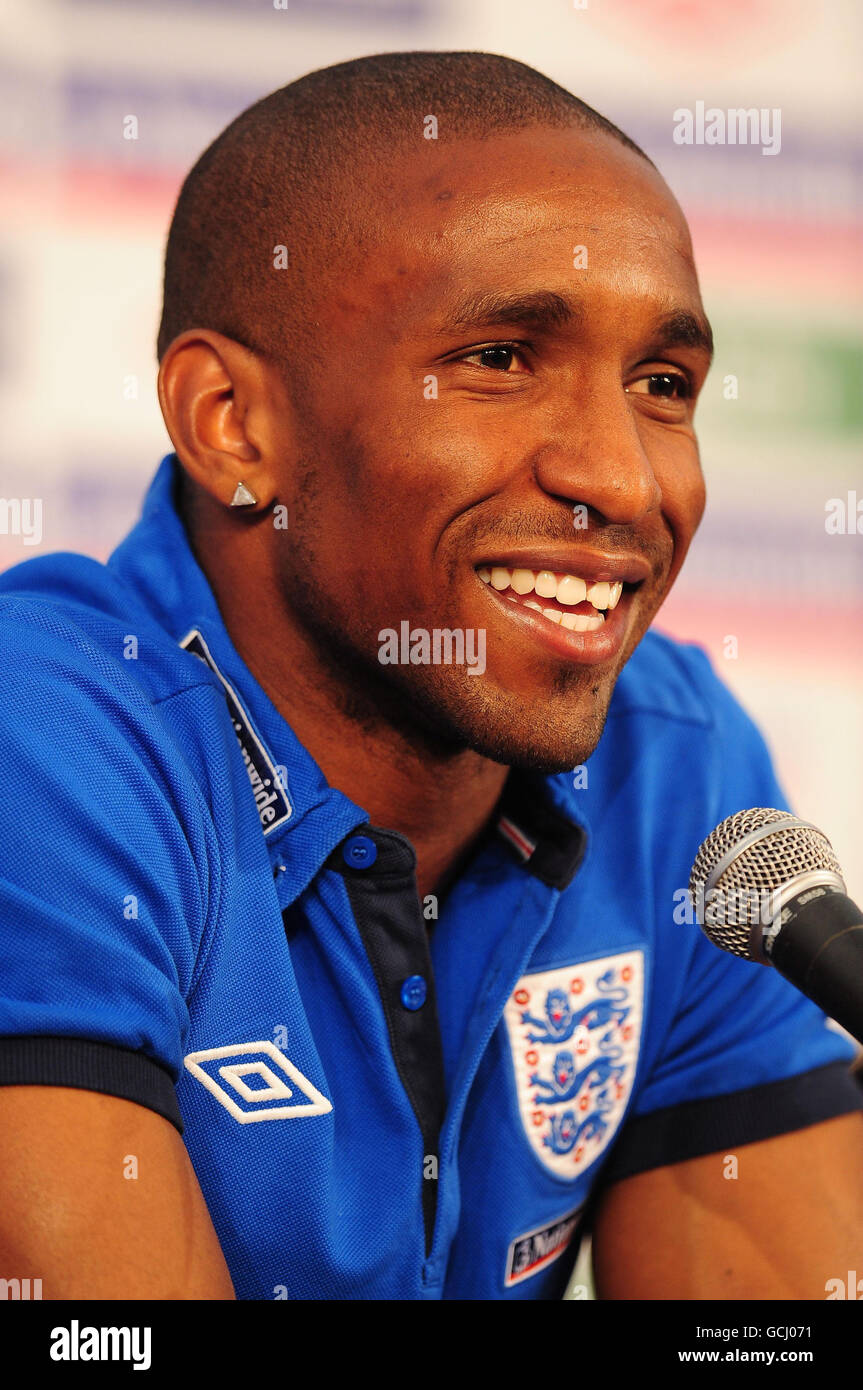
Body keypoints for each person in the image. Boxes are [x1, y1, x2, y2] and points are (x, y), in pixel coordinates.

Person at [0, 51, 860, 1301]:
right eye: (499, 360)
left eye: (660, 386)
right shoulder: (46, 740)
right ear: (233, 424)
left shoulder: (672, 767)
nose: (622, 482)